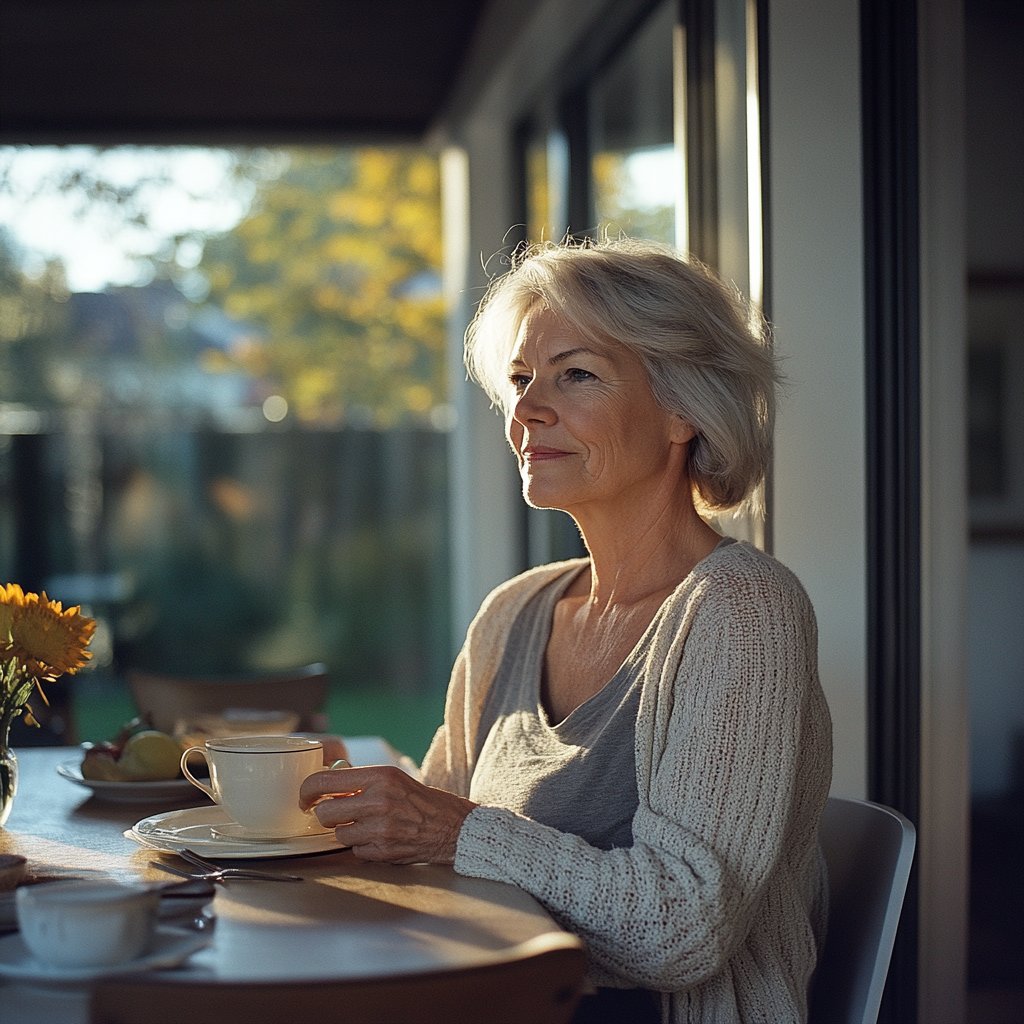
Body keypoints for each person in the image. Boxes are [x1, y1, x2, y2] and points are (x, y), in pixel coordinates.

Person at [300, 237, 833, 1023]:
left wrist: (450, 830)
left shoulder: (744, 611)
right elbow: (444, 819)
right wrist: (349, 797)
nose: (525, 410)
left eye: (574, 375)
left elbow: (683, 931)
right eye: (519, 380)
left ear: (685, 408)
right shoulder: (516, 610)